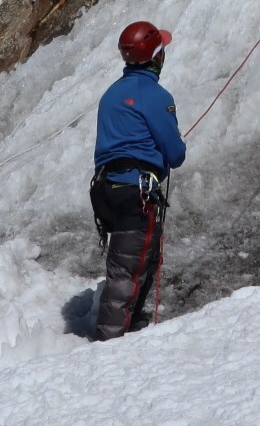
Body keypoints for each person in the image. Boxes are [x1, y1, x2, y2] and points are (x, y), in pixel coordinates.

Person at [90, 19, 186, 338]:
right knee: (126, 274)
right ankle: (110, 347)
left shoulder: (111, 94)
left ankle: (129, 329)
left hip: (105, 190)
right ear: (156, 57)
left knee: (139, 260)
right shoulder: (156, 96)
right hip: (136, 192)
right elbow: (175, 155)